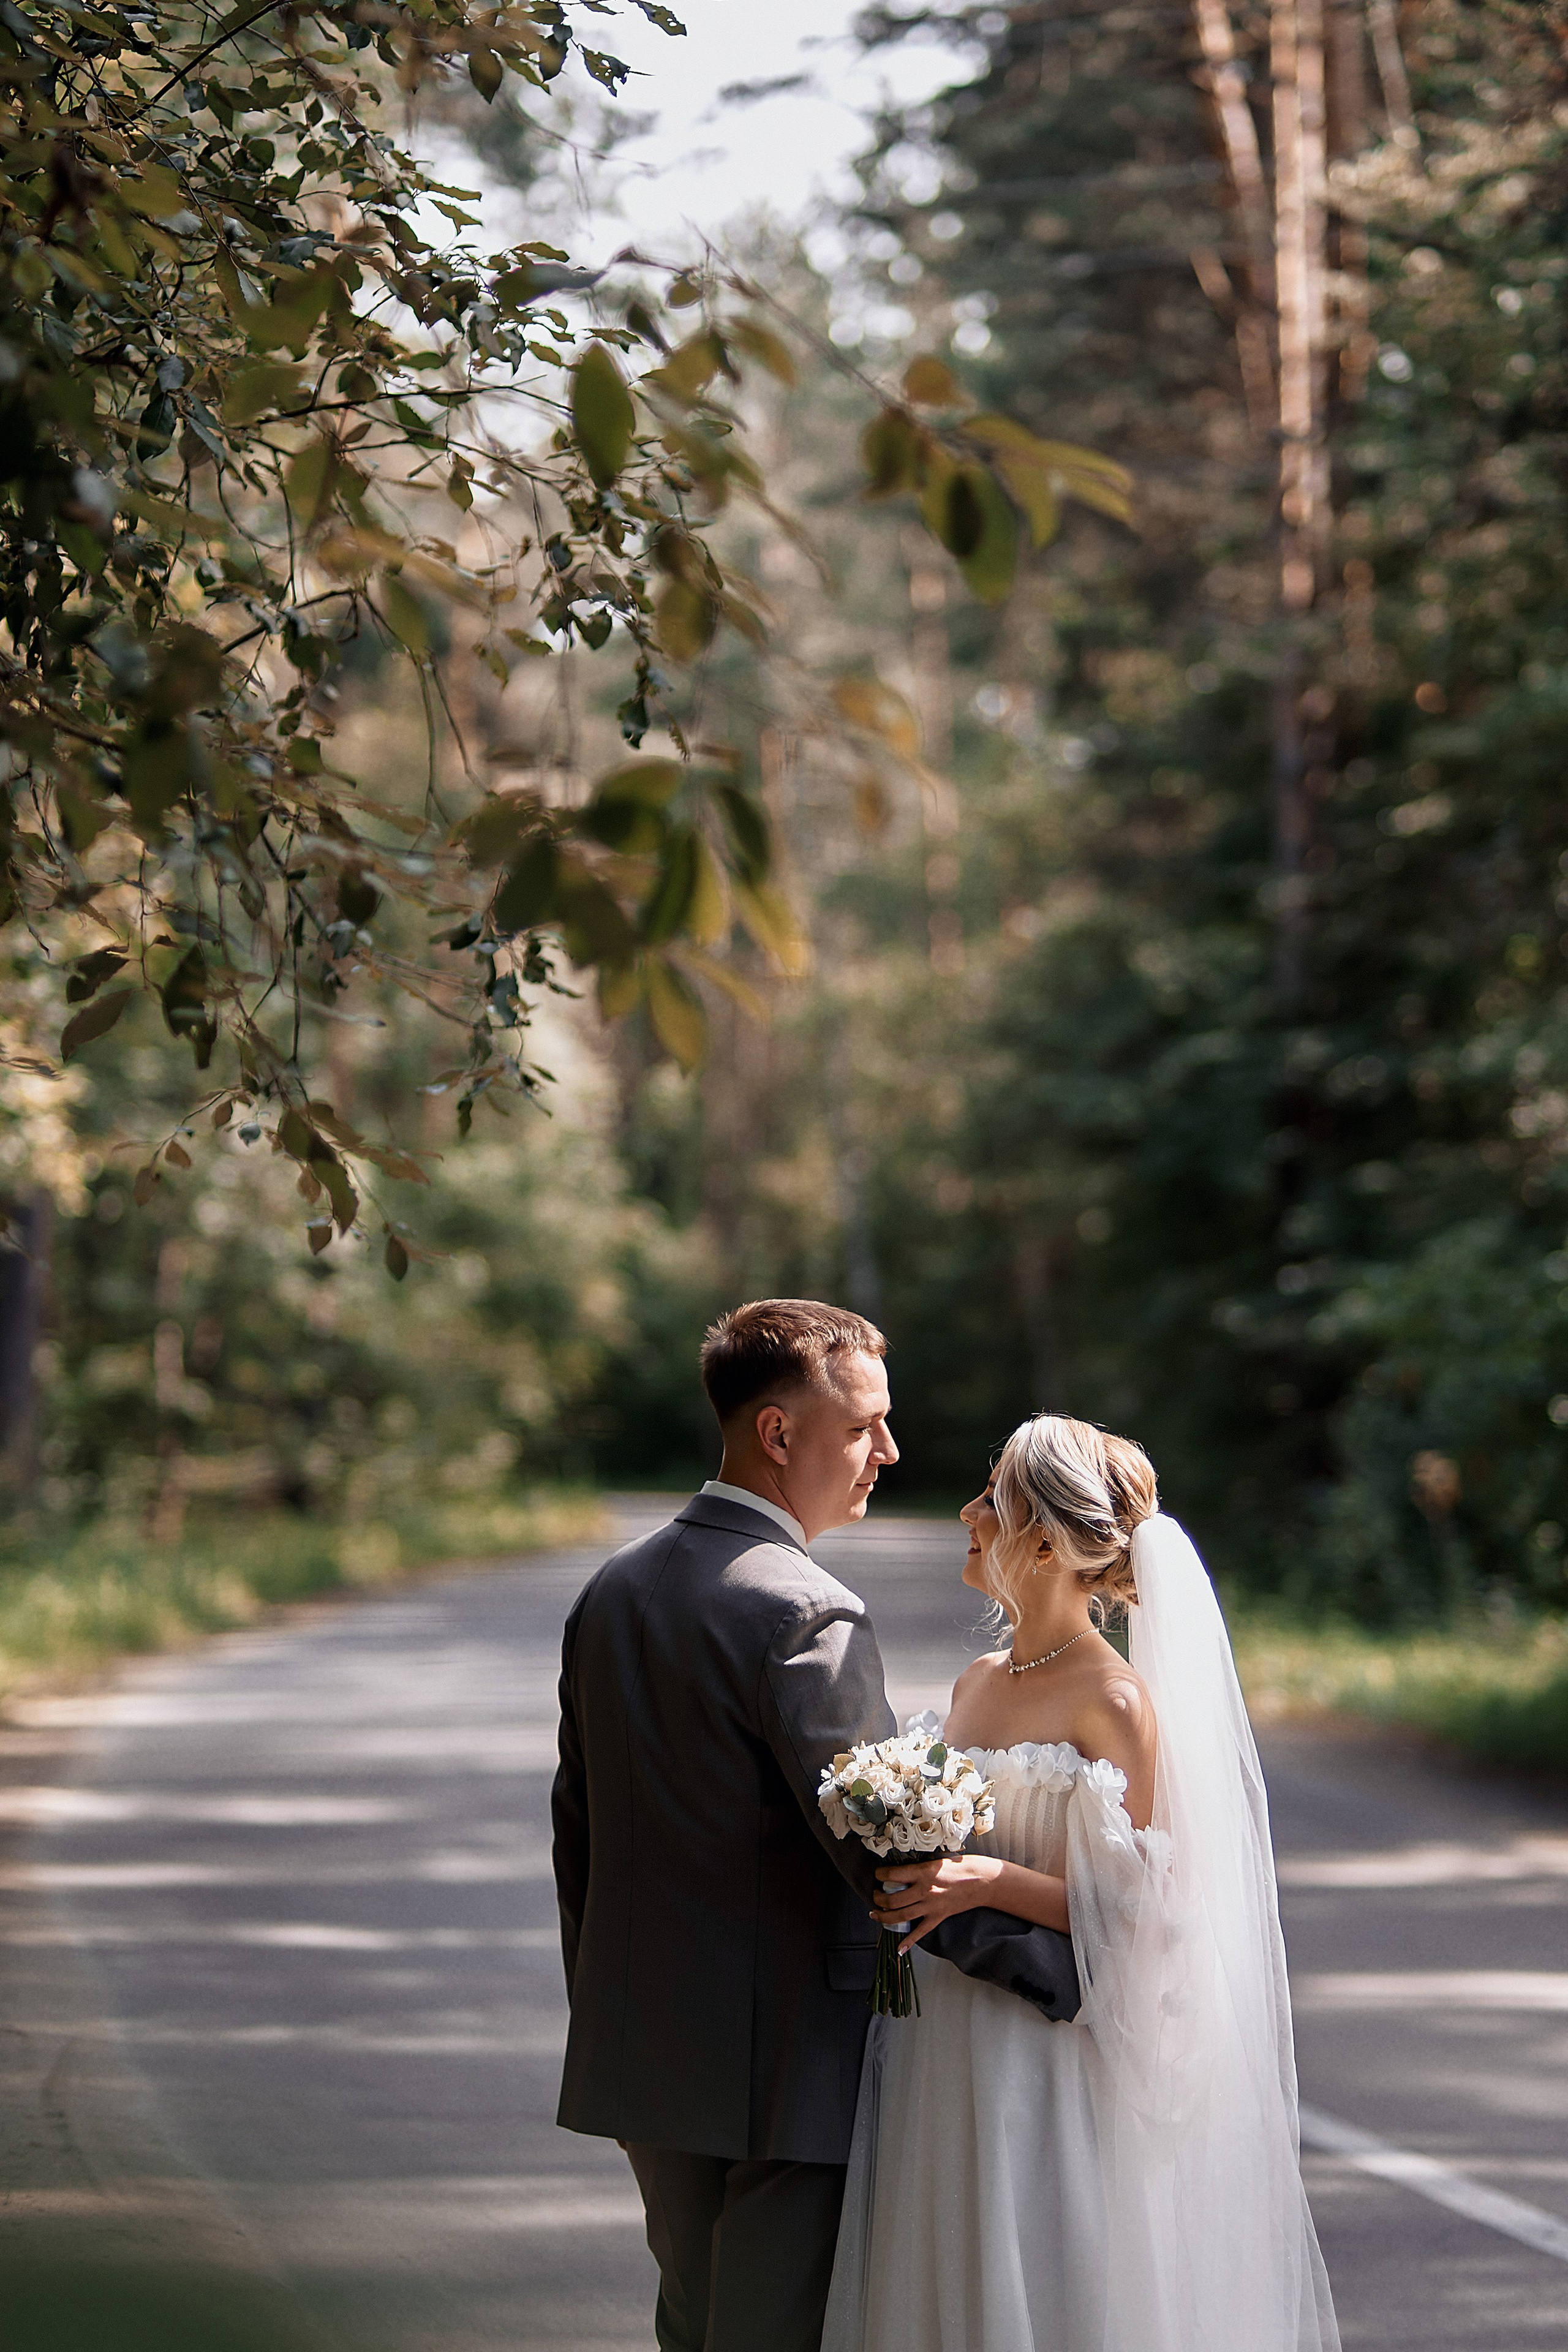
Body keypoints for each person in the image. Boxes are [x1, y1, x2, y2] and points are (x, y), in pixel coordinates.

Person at [821, 1413, 1341, 2352]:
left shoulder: (1116, 1700)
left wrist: (991, 1881)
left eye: (993, 1500)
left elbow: (1150, 1909)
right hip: (942, 2040)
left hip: (1040, 2048)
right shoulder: (976, 1682)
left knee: (1041, 2276)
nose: (970, 1514)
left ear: (1046, 1543)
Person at [551, 1298, 900, 2352]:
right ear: (778, 1434)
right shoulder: (808, 1612)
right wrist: (1059, 1946)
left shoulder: (611, 1591)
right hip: (792, 2070)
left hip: (646, 2055)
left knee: (696, 2329)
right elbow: (886, 1857)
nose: (888, 1451)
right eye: (862, 1427)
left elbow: (578, 1839)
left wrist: (607, 2015)